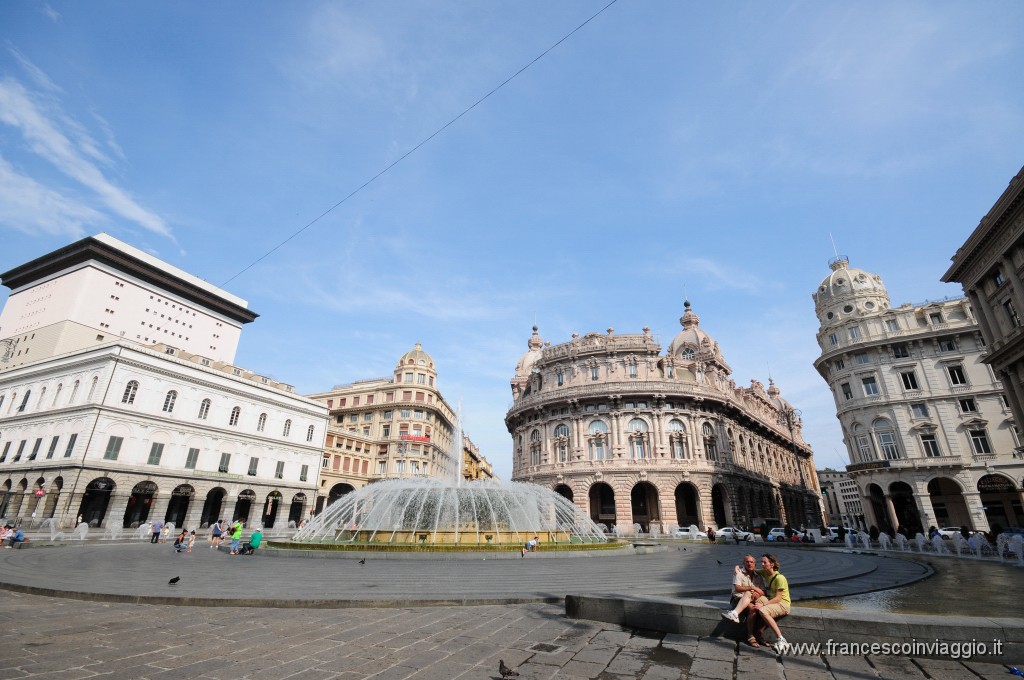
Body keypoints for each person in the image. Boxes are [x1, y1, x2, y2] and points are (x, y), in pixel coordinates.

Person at [746, 554, 790, 653]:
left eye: (764, 562)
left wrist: (763, 605)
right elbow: (752, 568)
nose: (762, 564)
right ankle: (755, 633)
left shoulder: (780, 578)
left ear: (772, 564)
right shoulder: (765, 573)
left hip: (783, 604)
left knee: (762, 610)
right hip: (774, 601)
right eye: (761, 562)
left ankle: (781, 639)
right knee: (758, 598)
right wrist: (737, 568)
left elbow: (778, 598)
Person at [721, 555, 765, 623]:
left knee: (760, 609)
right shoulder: (738, 573)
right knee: (752, 608)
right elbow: (737, 588)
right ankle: (750, 632)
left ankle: (735, 614)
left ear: (755, 564)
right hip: (737, 599)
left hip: (752, 599)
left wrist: (758, 594)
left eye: (751, 562)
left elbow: (763, 591)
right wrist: (752, 587)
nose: (749, 564)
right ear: (743, 563)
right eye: (747, 562)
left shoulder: (758, 576)